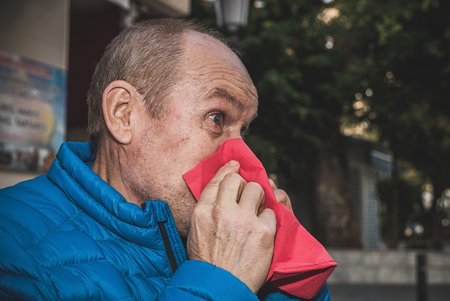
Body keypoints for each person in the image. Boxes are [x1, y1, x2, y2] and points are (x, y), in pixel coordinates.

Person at [0, 19, 330, 300]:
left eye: (243, 130)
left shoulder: (203, 229)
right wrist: (217, 277)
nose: (244, 158)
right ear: (124, 114)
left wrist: (284, 272)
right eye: (216, 118)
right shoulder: (11, 240)